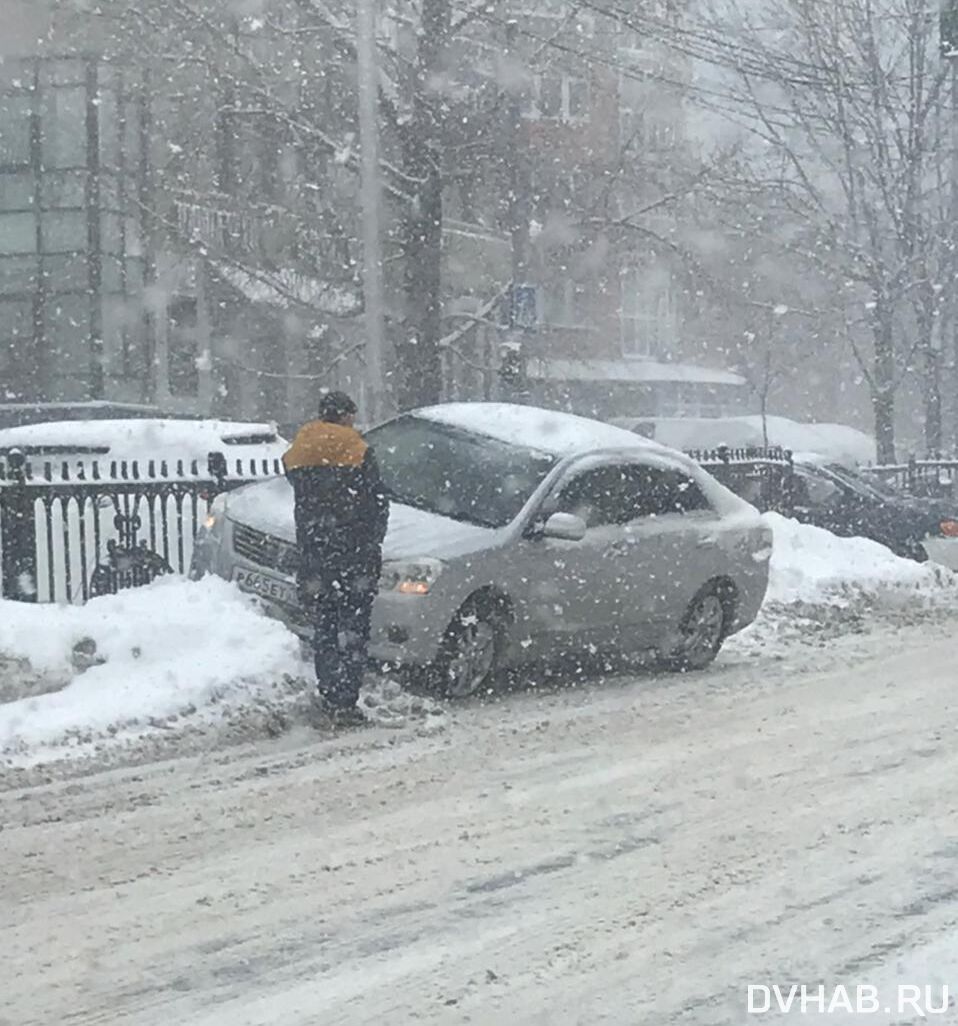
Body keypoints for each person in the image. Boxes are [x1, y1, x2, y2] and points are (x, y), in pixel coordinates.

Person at [282, 391, 389, 726]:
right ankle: (347, 699)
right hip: (354, 554)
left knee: (325, 626)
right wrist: (372, 541)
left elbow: (296, 483)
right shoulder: (357, 449)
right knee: (354, 628)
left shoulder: (300, 448)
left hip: (315, 552)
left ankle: (329, 691)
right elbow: (376, 502)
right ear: (345, 416)